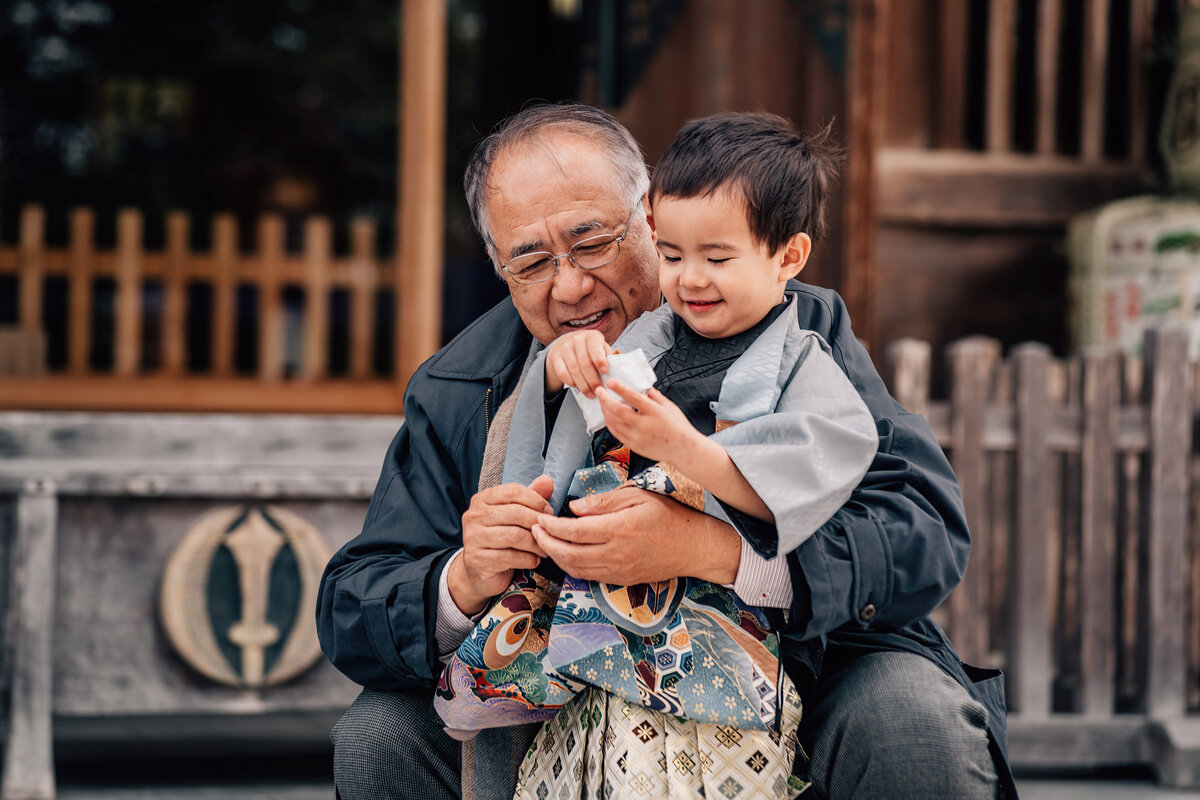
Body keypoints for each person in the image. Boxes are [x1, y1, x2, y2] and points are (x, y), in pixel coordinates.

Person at [316, 102, 1015, 800]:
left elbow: (921, 528)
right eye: (529, 260)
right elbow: (354, 600)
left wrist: (716, 551)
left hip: (801, 666)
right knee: (381, 735)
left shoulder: (791, 331)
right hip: (554, 683)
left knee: (910, 718)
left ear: (648, 216)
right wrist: (464, 579)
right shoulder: (463, 382)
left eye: (593, 244)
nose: (570, 286)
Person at [438, 113, 881, 799]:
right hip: (601, 634)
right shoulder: (648, 334)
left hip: (729, 635)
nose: (692, 280)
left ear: (788, 258)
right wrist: (562, 370)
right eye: (673, 256)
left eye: (718, 258)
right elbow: (581, 426)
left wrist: (686, 457)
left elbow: (819, 470)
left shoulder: (805, 348)